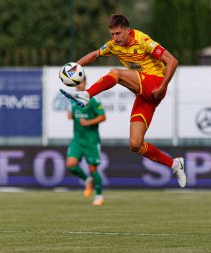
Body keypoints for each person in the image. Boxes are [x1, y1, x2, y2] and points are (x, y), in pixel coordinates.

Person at [60, 14, 186, 188]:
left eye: (118, 33)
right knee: (135, 144)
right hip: (144, 95)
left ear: (128, 31)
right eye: (112, 34)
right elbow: (95, 55)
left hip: (156, 83)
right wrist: (75, 67)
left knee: (117, 73)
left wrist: (164, 85)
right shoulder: (113, 45)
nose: (114, 38)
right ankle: (175, 164)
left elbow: (172, 61)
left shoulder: (142, 40)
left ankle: (87, 94)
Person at [65, 77, 106, 206]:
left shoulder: (93, 99)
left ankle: (99, 196)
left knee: (93, 168)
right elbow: (72, 114)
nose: (78, 85)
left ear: (86, 83)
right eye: (76, 83)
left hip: (91, 141)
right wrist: (70, 115)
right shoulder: (73, 99)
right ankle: (87, 180)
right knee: (70, 164)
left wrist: (88, 122)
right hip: (77, 139)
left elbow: (103, 117)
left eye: (80, 82)